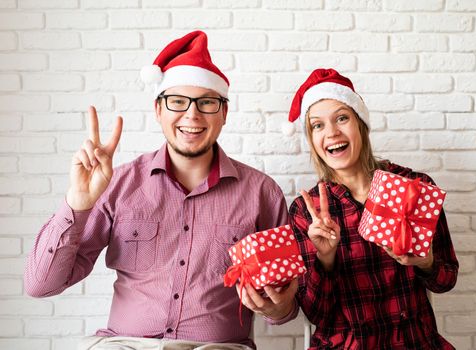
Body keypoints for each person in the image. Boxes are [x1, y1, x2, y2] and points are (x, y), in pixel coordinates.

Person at [24, 30, 297, 350]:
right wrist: (78, 203)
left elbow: (282, 311)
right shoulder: (118, 185)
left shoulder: (262, 193)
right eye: (178, 101)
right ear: (158, 110)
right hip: (126, 345)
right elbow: (40, 286)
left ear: (224, 112)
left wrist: (277, 307)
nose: (192, 114)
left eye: (206, 102)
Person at [285, 68, 459, 349]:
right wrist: (325, 258)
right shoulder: (309, 211)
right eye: (317, 125)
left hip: (414, 341)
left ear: (360, 124)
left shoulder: (413, 187)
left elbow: (446, 279)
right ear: (312, 140)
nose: (331, 132)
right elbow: (316, 313)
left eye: (342, 118)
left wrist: (425, 262)